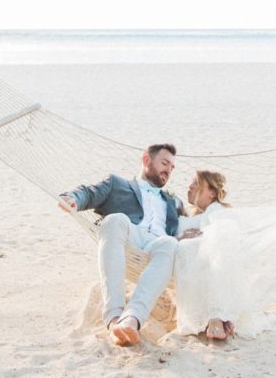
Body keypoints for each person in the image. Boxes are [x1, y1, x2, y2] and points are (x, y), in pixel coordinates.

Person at [59, 143, 182, 348]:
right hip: (129, 235)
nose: (168, 170)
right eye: (164, 163)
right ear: (146, 160)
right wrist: (73, 199)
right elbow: (88, 193)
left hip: (157, 244)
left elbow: (189, 220)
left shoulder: (172, 202)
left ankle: (132, 318)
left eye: (172, 167)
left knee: (170, 243)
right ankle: (114, 317)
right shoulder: (117, 184)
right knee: (115, 219)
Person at [175, 169, 243, 342]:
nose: (189, 186)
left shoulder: (217, 210)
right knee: (189, 246)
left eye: (196, 183)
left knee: (216, 238)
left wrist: (200, 237)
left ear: (212, 192)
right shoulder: (198, 216)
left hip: (218, 253)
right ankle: (218, 315)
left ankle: (217, 315)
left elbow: (225, 233)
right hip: (205, 260)